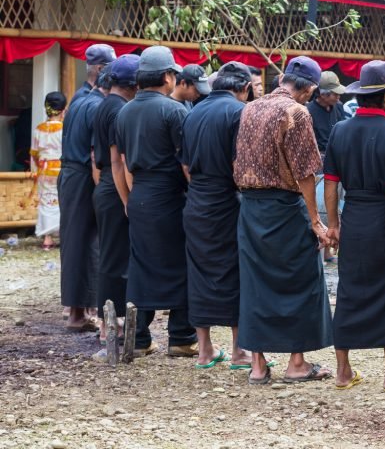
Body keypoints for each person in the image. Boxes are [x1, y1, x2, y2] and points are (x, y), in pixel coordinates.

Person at [234, 56, 333, 384]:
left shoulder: (251, 107)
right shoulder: (297, 112)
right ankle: (296, 363)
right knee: (302, 279)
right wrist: (316, 220)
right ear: (310, 88)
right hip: (284, 207)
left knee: (255, 283)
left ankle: (258, 366)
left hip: (250, 208)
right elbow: (306, 172)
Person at [324, 61, 385, 393]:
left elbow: (332, 186)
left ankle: (343, 372)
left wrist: (333, 225)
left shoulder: (340, 131)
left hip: (354, 221)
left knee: (349, 291)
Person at [114, 46, 197, 357]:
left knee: (141, 265)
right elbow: (185, 163)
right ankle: (181, 336)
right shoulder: (174, 111)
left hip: (140, 195)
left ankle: (138, 337)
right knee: (182, 263)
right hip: (170, 195)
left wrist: (129, 199)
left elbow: (120, 161)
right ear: (167, 76)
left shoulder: (124, 111)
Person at [180, 62, 253, 369]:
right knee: (234, 273)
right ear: (245, 89)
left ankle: (205, 350)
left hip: (196, 200)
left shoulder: (192, 111)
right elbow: (240, 164)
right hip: (227, 201)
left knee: (197, 273)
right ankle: (238, 351)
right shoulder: (238, 112)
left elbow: (185, 164)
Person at [58, 44, 114, 331]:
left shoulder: (79, 98)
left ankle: (77, 309)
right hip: (84, 175)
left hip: (69, 174)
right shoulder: (96, 105)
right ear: (103, 70)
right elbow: (95, 155)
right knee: (89, 242)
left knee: (75, 242)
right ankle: (79, 314)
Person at [90, 56, 139, 359]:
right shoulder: (119, 109)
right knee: (114, 256)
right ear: (134, 84)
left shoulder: (105, 103)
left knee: (113, 254)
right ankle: (109, 324)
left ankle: (111, 321)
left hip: (106, 186)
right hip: (115, 186)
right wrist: (126, 199)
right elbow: (116, 159)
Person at [31, 92, 66, 250]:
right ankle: (63, 233)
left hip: (44, 170)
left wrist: (35, 171)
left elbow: (34, 153)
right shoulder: (64, 129)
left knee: (46, 202)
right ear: (63, 110)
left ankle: (47, 237)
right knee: (61, 201)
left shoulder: (39, 129)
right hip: (60, 168)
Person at [307, 71, 347, 155]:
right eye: (335, 94)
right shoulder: (307, 111)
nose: (338, 97)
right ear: (322, 94)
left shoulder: (339, 106)